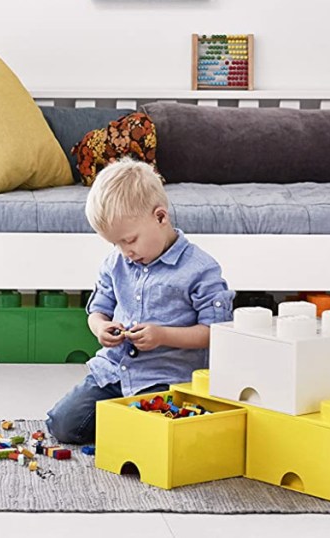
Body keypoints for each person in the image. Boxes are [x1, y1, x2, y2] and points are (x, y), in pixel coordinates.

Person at [46, 158, 235, 444]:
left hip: (165, 380)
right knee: (62, 425)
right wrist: (100, 328)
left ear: (160, 217)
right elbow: (98, 311)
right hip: (113, 375)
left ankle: (130, 428)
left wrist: (162, 335)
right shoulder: (115, 263)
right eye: (116, 244)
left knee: (154, 436)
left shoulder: (200, 269)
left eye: (130, 240)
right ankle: (124, 426)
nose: (125, 252)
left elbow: (215, 333)